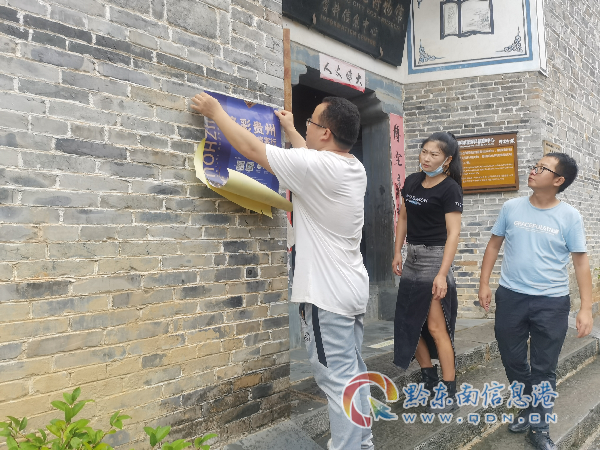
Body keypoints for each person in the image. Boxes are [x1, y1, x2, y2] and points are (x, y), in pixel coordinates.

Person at [191, 93, 372, 450]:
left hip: (326, 295)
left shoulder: (317, 167)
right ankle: (363, 445)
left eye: (311, 122)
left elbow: (253, 150)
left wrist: (216, 112)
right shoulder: (352, 167)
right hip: (350, 290)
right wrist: (291, 130)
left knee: (337, 381)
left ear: (326, 133)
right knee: (352, 376)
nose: (307, 126)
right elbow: (307, 161)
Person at [478, 153, 593, 450]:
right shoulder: (511, 207)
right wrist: (484, 283)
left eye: (542, 168)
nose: (533, 170)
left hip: (551, 302)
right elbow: (493, 246)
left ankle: (539, 426)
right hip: (511, 297)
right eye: (535, 165)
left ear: (558, 180)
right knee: (513, 360)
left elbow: (581, 262)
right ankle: (528, 408)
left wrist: (586, 308)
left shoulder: (569, 216)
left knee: (544, 367)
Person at [392, 132, 463, 413]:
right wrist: (398, 251)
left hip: (435, 259)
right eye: (424, 151)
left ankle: (449, 392)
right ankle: (429, 379)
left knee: (435, 327)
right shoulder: (411, 181)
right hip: (412, 258)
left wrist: (442, 274)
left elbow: (453, 233)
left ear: (447, 160)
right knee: (409, 322)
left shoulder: (450, 189)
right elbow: (403, 217)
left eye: (434, 154)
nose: (427, 158)